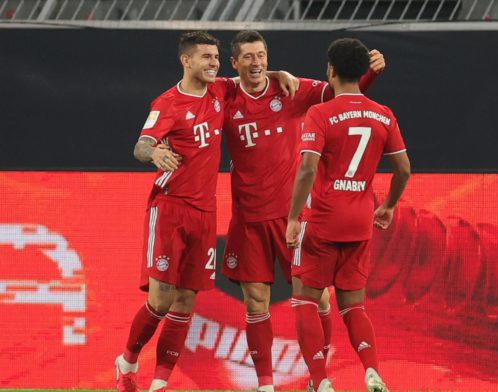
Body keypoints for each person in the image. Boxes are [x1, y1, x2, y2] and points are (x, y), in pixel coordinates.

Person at [112, 31, 297, 392]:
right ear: (186, 61)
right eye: (206, 57)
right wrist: (154, 154)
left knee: (185, 301)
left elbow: (252, 73)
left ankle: (160, 383)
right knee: (161, 299)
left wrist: (279, 74)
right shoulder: (168, 102)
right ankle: (128, 361)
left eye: (215, 57)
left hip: (205, 213)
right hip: (170, 209)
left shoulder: (220, 91)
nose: (213, 63)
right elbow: (142, 144)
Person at [220, 30, 385, 392]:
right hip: (248, 218)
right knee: (255, 302)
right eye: (247, 56)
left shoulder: (290, 91)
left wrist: (369, 73)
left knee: (318, 298)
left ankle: (317, 377)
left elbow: (341, 95)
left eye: (261, 55)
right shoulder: (226, 95)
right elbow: (196, 87)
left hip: (290, 215)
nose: (256, 62)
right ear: (234, 63)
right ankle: (266, 385)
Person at [286, 38, 410, 392]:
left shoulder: (321, 113)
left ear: (331, 71)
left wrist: (294, 217)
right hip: (360, 221)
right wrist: (387, 206)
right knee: (353, 306)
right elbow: (403, 168)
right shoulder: (383, 113)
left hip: (322, 219)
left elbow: (308, 168)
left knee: (305, 299)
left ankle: (321, 381)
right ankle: (371, 371)